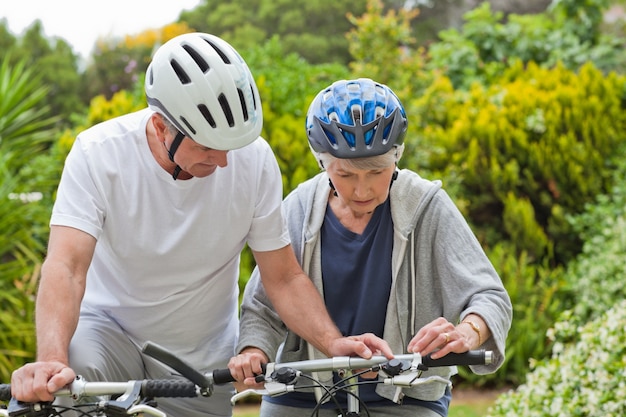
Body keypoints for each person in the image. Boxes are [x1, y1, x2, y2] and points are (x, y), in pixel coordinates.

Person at [9, 35, 392, 417]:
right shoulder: (98, 154)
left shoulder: (254, 160)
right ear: (161, 127)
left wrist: (333, 343)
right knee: (78, 374)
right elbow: (67, 267)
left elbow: (283, 278)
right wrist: (51, 361)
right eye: (207, 147)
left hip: (200, 354)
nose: (223, 162)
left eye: (229, 146)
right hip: (107, 332)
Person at [231, 78, 513, 417]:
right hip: (304, 391)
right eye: (346, 175)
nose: (362, 190)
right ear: (323, 162)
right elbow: (263, 306)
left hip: (407, 393)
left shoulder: (428, 207)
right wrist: (252, 350)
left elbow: (490, 297)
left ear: (397, 156)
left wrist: (468, 332)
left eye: (376, 171)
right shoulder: (298, 209)